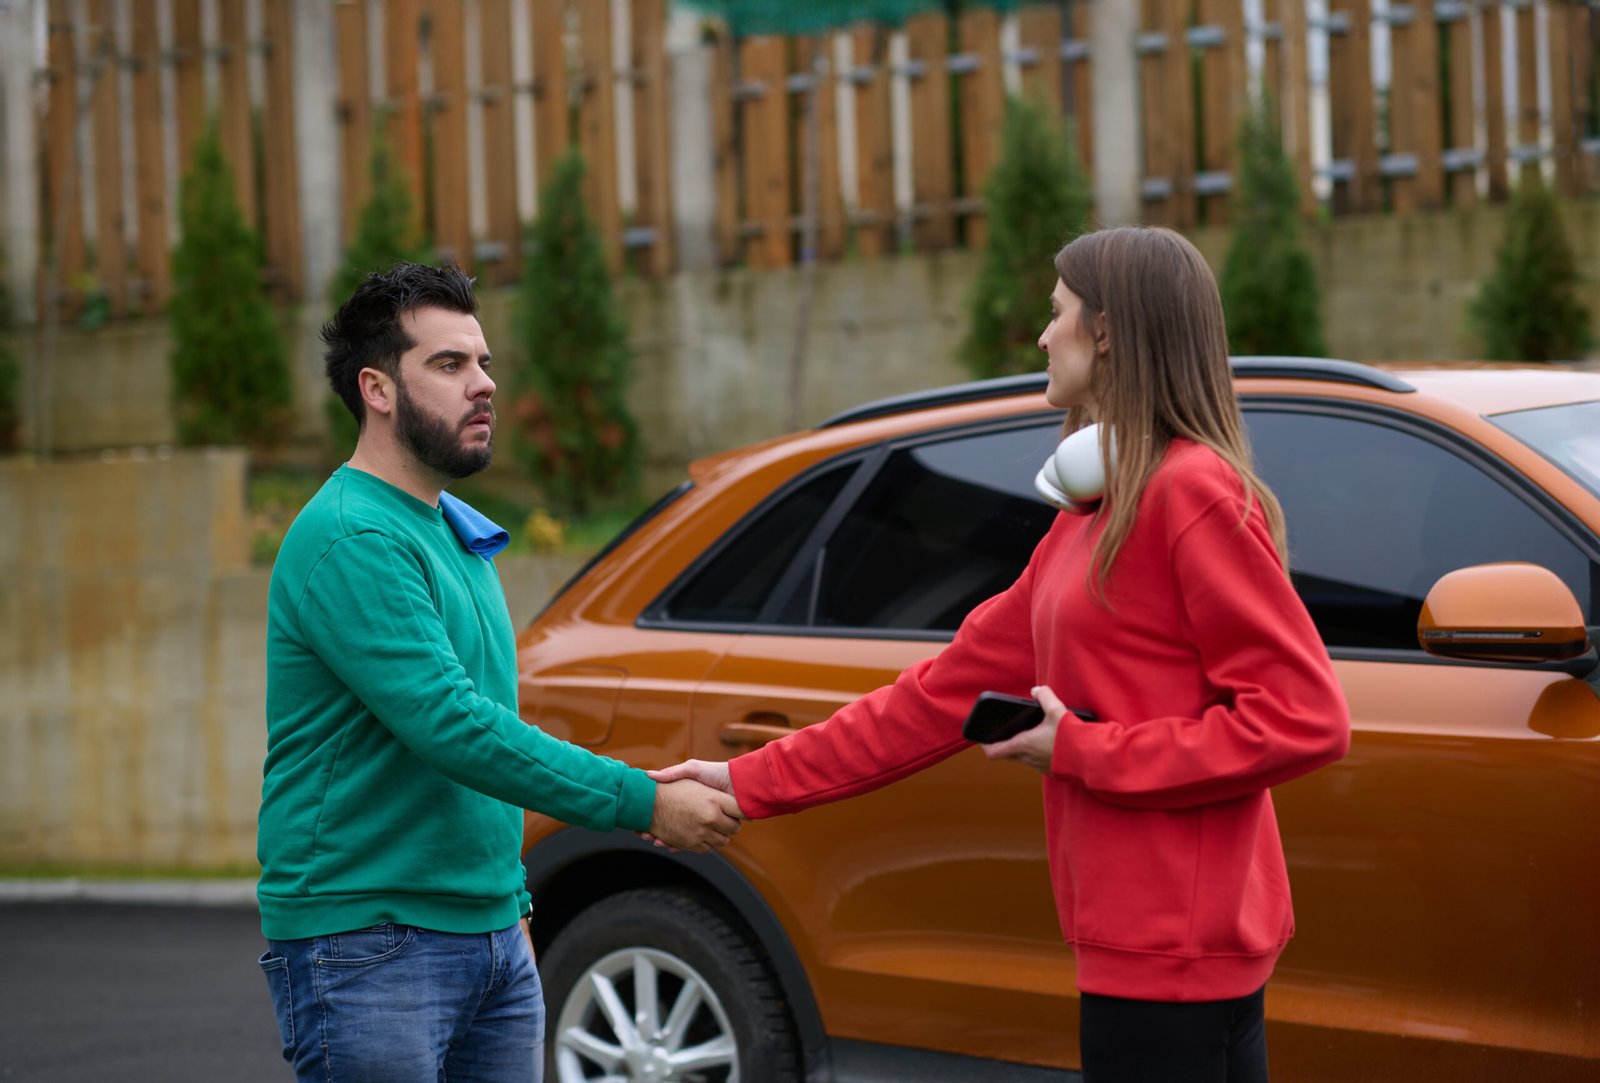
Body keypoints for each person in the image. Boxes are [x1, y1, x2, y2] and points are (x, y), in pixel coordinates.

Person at [651, 227, 1351, 1082]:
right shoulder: (1090, 516)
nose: (1041, 335)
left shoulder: (1190, 494)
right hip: (1135, 942)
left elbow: (1304, 719)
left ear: (1109, 333)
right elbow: (937, 697)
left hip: (1175, 950)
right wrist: (748, 780)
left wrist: (1083, 750)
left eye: (1056, 313)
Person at [256, 262, 742, 1083]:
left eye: (483, 363)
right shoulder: (354, 537)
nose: (482, 385)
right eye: (449, 365)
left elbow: (479, 733)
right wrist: (645, 800)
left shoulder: (450, 529)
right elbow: (454, 727)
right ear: (377, 389)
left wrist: (506, 902)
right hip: (371, 943)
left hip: (487, 935)